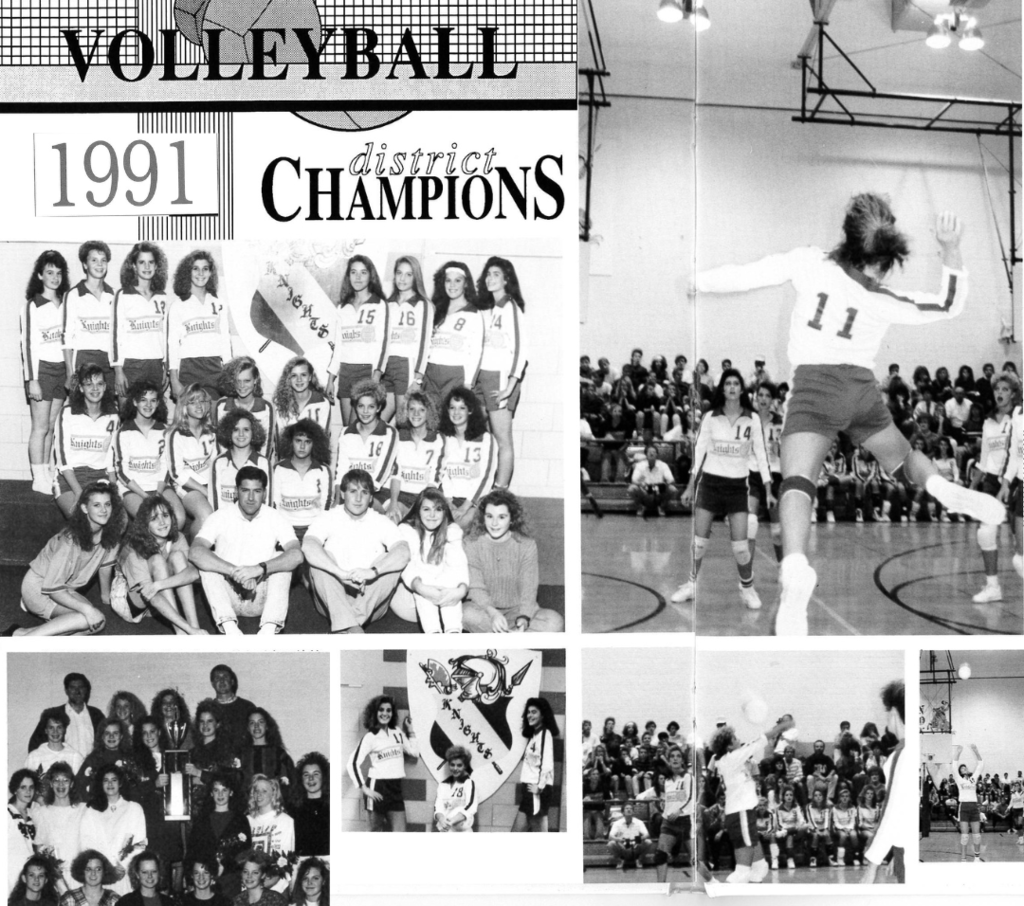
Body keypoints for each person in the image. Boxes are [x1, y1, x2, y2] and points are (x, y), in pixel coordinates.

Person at [695, 196, 1005, 635]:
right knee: (902, 455)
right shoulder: (881, 297)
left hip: (814, 389)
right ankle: (941, 486)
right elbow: (948, 305)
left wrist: (700, 282)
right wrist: (951, 249)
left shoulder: (810, 262)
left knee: (798, 481)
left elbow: (749, 274)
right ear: (882, 258)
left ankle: (797, 565)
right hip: (861, 391)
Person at [671, 370, 773, 611]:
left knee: (740, 546)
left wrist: (769, 489)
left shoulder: (753, 419)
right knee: (699, 542)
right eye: (727, 383)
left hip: (738, 487)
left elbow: (761, 455)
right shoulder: (710, 417)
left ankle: (747, 588)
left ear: (742, 389)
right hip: (710, 486)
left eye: (736, 383)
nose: (732, 387)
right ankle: (691, 585)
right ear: (722, 389)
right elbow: (699, 454)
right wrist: (689, 488)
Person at [190, 466, 302, 635]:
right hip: (229, 595)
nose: (250, 498)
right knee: (208, 560)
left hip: (261, 596)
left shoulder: (275, 517)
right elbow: (195, 552)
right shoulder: (220, 516)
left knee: (282, 559)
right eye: (245, 490)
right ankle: (229, 629)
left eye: (256, 491)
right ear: (236, 492)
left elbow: (296, 555)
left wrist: (259, 569)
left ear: (264, 493)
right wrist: (235, 572)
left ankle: (268, 630)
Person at [302, 468, 410, 633]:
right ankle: (354, 627)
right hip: (332, 597)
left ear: (371, 497)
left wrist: (372, 572)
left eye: (364, 492)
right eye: (353, 491)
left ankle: (345, 625)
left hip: (370, 601)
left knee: (389, 560)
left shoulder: (380, 521)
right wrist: (340, 574)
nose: (358, 498)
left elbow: (404, 553)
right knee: (321, 558)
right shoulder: (329, 517)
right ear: (343, 494)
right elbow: (308, 546)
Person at [12, 483, 124, 637]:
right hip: (40, 589)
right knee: (86, 618)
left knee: (98, 622)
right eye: (96, 505)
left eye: (107, 504)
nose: (104, 510)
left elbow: (104, 566)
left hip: (64, 589)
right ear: (85, 508)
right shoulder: (69, 541)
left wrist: (106, 597)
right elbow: (53, 588)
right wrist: (88, 609)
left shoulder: (111, 535)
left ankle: (20, 633)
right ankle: (27, 641)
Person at [462, 488, 563, 633]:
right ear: (482, 518)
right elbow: (476, 588)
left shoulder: (527, 545)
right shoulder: (470, 543)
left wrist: (524, 618)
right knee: (466, 615)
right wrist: (494, 614)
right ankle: (512, 639)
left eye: (502, 517)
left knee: (555, 621)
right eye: (490, 516)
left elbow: (529, 588)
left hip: (517, 611)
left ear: (512, 518)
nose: (494, 523)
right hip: (485, 611)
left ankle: (504, 637)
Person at [709, 714, 794, 883]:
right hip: (738, 811)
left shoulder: (732, 761)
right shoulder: (732, 758)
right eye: (734, 738)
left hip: (743, 810)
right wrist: (781, 727)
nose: (738, 739)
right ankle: (742, 873)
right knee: (744, 845)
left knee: (750, 841)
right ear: (728, 746)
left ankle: (759, 866)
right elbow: (758, 741)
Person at [113, 495, 205, 634]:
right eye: (154, 518)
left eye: (165, 515)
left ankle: (195, 626)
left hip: (157, 591)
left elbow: (192, 573)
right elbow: (151, 595)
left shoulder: (177, 537)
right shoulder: (133, 549)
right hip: (129, 601)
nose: (162, 522)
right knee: (157, 560)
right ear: (145, 524)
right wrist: (188, 630)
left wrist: (159, 585)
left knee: (178, 557)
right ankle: (181, 632)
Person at [474, 256, 528, 488]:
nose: (490, 278)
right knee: (484, 437)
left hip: (499, 379)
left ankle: (501, 490)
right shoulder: (488, 310)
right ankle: (484, 486)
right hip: (481, 378)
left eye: (496, 274)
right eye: (488, 274)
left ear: (507, 279)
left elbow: (521, 349)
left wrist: (510, 385)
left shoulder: (511, 307)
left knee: (503, 440)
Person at [21, 250, 71, 493]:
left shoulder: (66, 303)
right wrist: (32, 380)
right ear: (40, 275)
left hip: (62, 370)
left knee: (52, 426)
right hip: (41, 372)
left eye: (58, 273)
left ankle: (49, 470)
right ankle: (38, 475)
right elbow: (28, 345)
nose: (54, 277)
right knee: (39, 427)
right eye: (49, 272)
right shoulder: (32, 306)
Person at [971, 372, 1020, 603]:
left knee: (1019, 552)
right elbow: (983, 459)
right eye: (997, 389)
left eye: (1005, 389)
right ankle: (993, 587)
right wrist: (971, 488)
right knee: (986, 532)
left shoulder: (1019, 418)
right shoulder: (988, 421)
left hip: (1015, 481)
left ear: (1013, 393)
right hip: (992, 482)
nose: (1000, 393)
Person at [392, 488, 468, 634]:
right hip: (409, 601)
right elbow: (408, 567)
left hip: (443, 598)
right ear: (418, 510)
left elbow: (459, 565)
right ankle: (432, 632)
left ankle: (453, 631)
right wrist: (422, 587)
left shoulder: (452, 530)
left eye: (438, 509)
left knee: (452, 579)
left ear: (445, 512)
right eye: (426, 509)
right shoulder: (407, 529)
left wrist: (461, 590)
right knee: (424, 579)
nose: (432, 515)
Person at [324, 255, 389, 425]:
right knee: (348, 429)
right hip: (346, 372)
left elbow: (384, 345)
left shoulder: (379, 305)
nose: (358, 277)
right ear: (348, 276)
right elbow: (338, 347)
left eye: (363, 272)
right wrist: (331, 379)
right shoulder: (342, 307)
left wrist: (376, 376)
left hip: (366, 372)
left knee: (360, 427)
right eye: (353, 272)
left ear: (371, 276)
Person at [114, 382, 185, 526]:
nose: (148, 405)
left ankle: (170, 548)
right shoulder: (123, 432)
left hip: (159, 486)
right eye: (143, 400)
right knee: (150, 519)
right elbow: (121, 472)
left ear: (158, 403)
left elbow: (166, 465)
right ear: (134, 402)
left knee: (178, 518)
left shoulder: (165, 431)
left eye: (153, 400)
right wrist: (145, 496)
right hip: (133, 488)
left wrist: (158, 493)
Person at [53, 364, 119, 518]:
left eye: (99, 384)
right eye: (89, 384)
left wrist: (115, 492)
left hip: (99, 477)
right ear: (81, 388)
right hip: (69, 477)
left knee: (116, 520)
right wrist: (78, 492)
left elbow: (111, 459)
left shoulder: (113, 416)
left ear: (105, 387)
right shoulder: (67, 413)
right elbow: (63, 460)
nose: (95, 389)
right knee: (82, 518)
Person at [347, 695, 417, 832]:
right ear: (375, 712)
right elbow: (352, 763)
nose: (385, 713)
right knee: (375, 833)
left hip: (396, 789)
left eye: (388, 710)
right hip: (377, 787)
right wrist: (364, 788)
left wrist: (410, 730)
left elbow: (414, 752)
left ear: (392, 713)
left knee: (400, 832)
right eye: (381, 710)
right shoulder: (370, 737)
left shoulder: (397, 732)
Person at [167, 251, 231, 401]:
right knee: (190, 418)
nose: (200, 273)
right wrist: (174, 380)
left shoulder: (219, 302)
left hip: (214, 368)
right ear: (187, 272)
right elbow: (173, 345)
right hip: (189, 368)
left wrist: (229, 374)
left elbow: (225, 342)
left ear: (211, 272)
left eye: (205, 268)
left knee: (215, 416)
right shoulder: (178, 305)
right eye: (195, 268)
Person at [862, 680, 908, 883]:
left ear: (894, 713)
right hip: (904, 850)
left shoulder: (901, 755)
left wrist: (872, 866)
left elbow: (892, 811)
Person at [422, 261, 485, 410]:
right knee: (430, 419)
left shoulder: (473, 313)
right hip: (430, 373)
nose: (452, 285)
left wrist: (468, 382)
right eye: (448, 280)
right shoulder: (436, 310)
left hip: (455, 374)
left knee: (449, 421)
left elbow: (476, 351)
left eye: (458, 280)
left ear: (466, 284)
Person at [79, 764, 146, 896]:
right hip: (99, 876)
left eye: (114, 780)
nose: (110, 784)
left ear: (120, 783)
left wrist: (123, 866)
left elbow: (139, 844)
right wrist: (105, 868)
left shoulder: (134, 809)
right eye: (106, 780)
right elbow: (86, 842)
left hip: (125, 875)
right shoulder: (91, 811)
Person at [112, 243, 169, 396]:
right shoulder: (123, 295)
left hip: (156, 364)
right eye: (142, 262)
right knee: (128, 415)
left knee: (153, 415)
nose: (147, 266)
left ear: (157, 265)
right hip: (131, 364)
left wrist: (165, 367)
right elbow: (115, 335)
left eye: (151, 262)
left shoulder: (162, 296)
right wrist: (118, 370)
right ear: (134, 266)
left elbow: (165, 336)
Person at [382, 255, 433, 424]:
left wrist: (418, 378)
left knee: (404, 421)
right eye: (399, 273)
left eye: (408, 274)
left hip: (406, 366)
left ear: (415, 277)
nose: (402, 278)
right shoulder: (387, 304)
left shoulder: (423, 304)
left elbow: (425, 343)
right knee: (377, 420)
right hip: (387, 366)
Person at [438, 387, 497, 530]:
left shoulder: (485, 439)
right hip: (450, 499)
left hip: (474, 502)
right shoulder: (443, 438)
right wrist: (448, 500)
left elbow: (486, 478)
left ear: (470, 410)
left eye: (461, 408)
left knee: (454, 531)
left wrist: (465, 506)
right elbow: (441, 472)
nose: (456, 412)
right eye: (452, 408)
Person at [185, 773, 250, 899]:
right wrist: (190, 880)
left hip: (231, 880)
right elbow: (192, 852)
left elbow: (245, 852)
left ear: (231, 792)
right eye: (216, 790)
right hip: (204, 880)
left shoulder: (240, 820)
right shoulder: (202, 820)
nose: (220, 795)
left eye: (224, 790)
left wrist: (225, 867)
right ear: (211, 793)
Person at [334, 380, 398, 509]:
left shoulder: (389, 432)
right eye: (361, 406)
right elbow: (341, 470)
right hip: (351, 491)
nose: (365, 411)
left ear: (378, 408)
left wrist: (361, 494)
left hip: (378, 492)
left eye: (371, 407)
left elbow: (382, 472)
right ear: (355, 407)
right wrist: (337, 499)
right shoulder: (346, 432)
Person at [63, 241, 115, 390]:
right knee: (83, 410)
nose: (99, 264)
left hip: (109, 362)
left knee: (108, 409)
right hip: (84, 359)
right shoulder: (73, 295)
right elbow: (67, 337)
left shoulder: (113, 294)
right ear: (85, 265)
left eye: (103, 260)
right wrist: (69, 372)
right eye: (94, 260)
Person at [166, 384, 217, 536]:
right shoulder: (176, 434)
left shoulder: (211, 431)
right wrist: (204, 490)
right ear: (184, 406)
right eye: (193, 402)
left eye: (202, 401)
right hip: (186, 485)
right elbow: (176, 473)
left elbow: (215, 462)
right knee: (206, 515)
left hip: (209, 483)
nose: (199, 406)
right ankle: (194, 552)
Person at [387, 390, 444, 522]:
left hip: (424, 498)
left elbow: (434, 480)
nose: (416, 414)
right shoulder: (399, 436)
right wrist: (393, 503)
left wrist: (419, 506)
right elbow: (396, 475)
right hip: (401, 496)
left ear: (429, 413)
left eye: (421, 410)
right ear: (406, 412)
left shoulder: (437, 439)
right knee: (390, 519)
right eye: (412, 409)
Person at [271, 420, 331, 543]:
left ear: (314, 444)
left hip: (314, 530)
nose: (302, 446)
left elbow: (326, 506)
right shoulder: (279, 469)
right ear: (290, 442)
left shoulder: (323, 470)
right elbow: (274, 505)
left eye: (307, 442)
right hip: (286, 529)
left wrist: (317, 532)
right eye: (298, 441)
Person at [208, 412, 272, 513]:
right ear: (228, 433)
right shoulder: (219, 462)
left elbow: (267, 502)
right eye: (235, 430)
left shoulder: (263, 462)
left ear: (253, 432)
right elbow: (214, 503)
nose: (241, 434)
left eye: (246, 429)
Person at [512, 697, 559, 833]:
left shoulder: (545, 734)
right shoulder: (534, 735)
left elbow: (547, 764)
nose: (529, 715)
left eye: (534, 712)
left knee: (537, 830)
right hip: (529, 788)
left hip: (536, 789)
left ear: (543, 715)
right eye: (528, 712)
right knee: (522, 829)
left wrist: (540, 787)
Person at [749, 381, 784, 561]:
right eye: (760, 395)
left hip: (773, 474)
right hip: (753, 473)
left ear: (773, 400)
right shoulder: (748, 419)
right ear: (756, 397)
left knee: (777, 531)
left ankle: (782, 567)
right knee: (750, 524)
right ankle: (746, 573)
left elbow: (784, 450)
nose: (763, 399)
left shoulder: (779, 421)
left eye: (767, 396)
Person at [27, 675, 104, 755]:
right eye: (73, 688)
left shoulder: (96, 714)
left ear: (86, 690)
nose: (77, 691)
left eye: (81, 687)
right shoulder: (54, 714)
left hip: (91, 766)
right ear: (66, 691)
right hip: (63, 766)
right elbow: (34, 745)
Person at [214, 358, 275, 459]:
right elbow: (221, 445)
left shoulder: (266, 406)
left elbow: (266, 449)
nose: (242, 386)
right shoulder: (222, 405)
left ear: (255, 380)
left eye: (247, 381)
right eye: (238, 381)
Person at [272, 358, 331, 447]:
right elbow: (280, 438)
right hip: (288, 455)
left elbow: (322, 439)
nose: (299, 379)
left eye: (303, 375)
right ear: (288, 379)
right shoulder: (280, 403)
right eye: (294, 375)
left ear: (310, 377)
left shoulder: (322, 402)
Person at [654, 746, 693, 882]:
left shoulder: (688, 777)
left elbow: (691, 799)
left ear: (682, 760)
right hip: (669, 823)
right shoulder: (667, 780)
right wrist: (664, 806)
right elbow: (667, 799)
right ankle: (661, 888)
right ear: (669, 760)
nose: (675, 758)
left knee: (695, 860)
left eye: (678, 756)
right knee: (660, 855)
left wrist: (679, 811)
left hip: (686, 823)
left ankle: (711, 881)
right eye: (672, 756)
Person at [238, 710, 293, 793]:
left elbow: (288, 781)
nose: (256, 726)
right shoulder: (240, 753)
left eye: (260, 722)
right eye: (252, 723)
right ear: (247, 728)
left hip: (273, 802)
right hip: (246, 802)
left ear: (267, 726)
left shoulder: (278, 753)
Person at [207, 667, 257, 752]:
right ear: (212, 683)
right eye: (217, 678)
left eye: (225, 677)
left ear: (232, 681)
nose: (222, 681)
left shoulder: (247, 707)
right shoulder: (207, 709)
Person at [289, 754, 328, 856]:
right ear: (300, 779)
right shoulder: (293, 809)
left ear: (324, 777)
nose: (310, 778)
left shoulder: (333, 807)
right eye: (306, 775)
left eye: (316, 774)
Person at [246, 775, 294, 856]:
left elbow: (286, 856)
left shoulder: (285, 821)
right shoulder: (247, 820)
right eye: (256, 790)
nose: (259, 794)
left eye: (264, 791)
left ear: (273, 793)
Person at [433, 746, 477, 833]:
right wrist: (442, 820)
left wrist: (452, 821)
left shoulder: (468, 783)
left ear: (465, 766)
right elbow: (438, 807)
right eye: (452, 764)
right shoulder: (443, 785)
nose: (455, 768)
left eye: (459, 765)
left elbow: (471, 807)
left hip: (462, 830)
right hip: (446, 829)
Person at [8, 771, 37, 894]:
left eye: (31, 787)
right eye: (23, 787)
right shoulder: (6, 814)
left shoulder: (35, 814)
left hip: (32, 877)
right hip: (10, 874)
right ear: (15, 790)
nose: (28, 791)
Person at [628, 445, 677, 517]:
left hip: (659, 493)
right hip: (645, 492)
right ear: (646, 454)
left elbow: (671, 479)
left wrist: (663, 485)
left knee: (673, 489)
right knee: (632, 488)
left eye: (654, 452)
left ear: (657, 454)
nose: (651, 454)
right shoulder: (640, 465)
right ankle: (640, 507)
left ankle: (662, 507)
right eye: (649, 452)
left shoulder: (663, 465)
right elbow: (634, 480)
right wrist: (641, 484)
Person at [607, 802, 653, 871]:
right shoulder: (617, 823)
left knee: (648, 842)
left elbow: (647, 834)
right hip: (623, 846)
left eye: (631, 809)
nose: (629, 810)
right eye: (627, 808)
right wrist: (618, 839)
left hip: (636, 846)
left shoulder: (639, 822)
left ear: (633, 812)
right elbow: (610, 836)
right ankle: (620, 861)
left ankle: (639, 860)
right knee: (610, 844)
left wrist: (640, 839)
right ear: (623, 812)